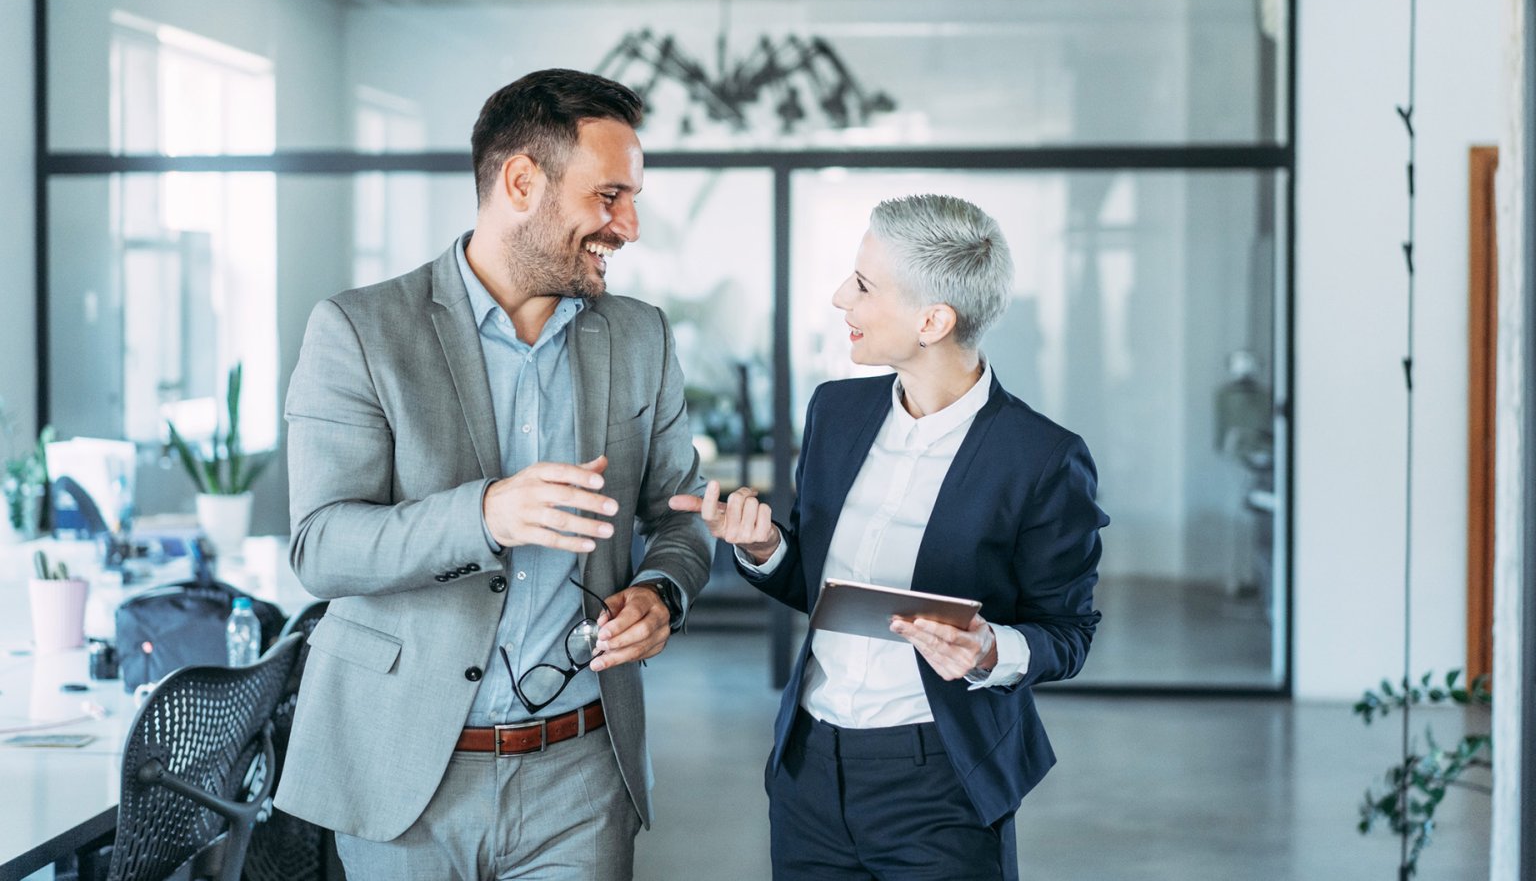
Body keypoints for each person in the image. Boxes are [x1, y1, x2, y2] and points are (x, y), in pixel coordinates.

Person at [275, 69, 715, 881]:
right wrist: (485, 515)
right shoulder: (359, 329)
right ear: (521, 181)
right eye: (610, 195)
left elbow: (680, 514)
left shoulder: (641, 336)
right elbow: (321, 546)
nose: (630, 225)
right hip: (400, 774)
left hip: (579, 777)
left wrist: (663, 593)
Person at [671, 193, 1107, 880]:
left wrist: (992, 649)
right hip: (809, 769)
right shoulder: (835, 411)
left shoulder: (1041, 457)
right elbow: (821, 585)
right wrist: (763, 549)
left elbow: (1069, 631)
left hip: (942, 778)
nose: (842, 297)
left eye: (865, 285)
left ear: (933, 320)